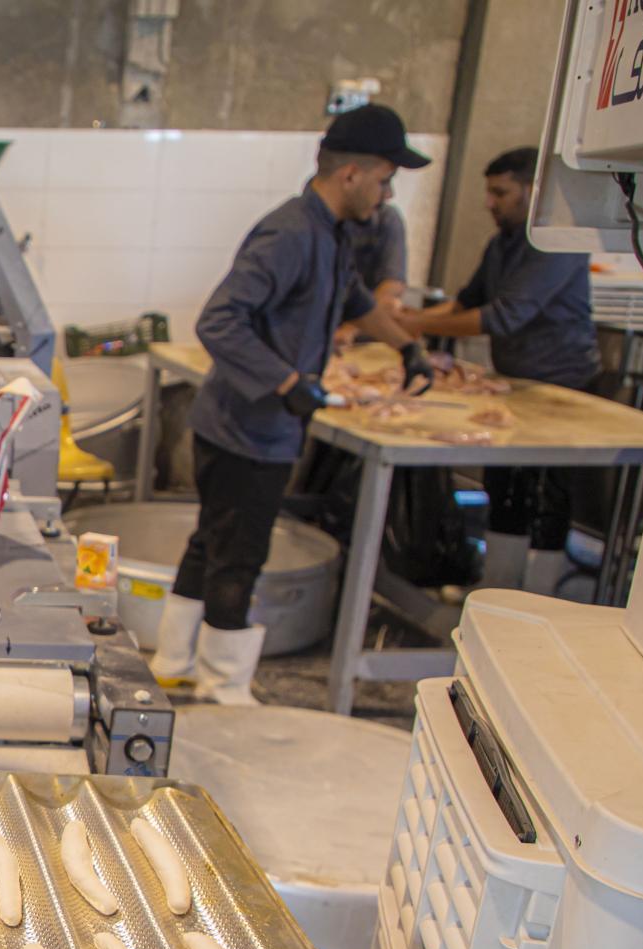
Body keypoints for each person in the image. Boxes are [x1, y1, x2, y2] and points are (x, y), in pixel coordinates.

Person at [149, 104, 436, 705]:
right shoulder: (291, 234)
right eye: (385, 180)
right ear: (351, 174)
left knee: (213, 541)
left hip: (258, 427)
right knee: (239, 555)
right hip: (245, 430)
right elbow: (219, 321)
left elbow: (355, 301)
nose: (388, 194)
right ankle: (224, 687)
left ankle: (174, 661)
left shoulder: (332, 234)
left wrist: (407, 346)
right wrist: (286, 382)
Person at [398, 146, 597, 594]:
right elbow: (466, 303)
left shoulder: (560, 244)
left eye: (500, 193)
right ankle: (495, 588)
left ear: (531, 190)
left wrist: (414, 324)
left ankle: (536, 597)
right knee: (505, 482)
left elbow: (503, 316)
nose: (489, 202)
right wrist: (407, 324)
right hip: (516, 385)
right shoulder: (501, 244)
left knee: (547, 491)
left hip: (561, 387)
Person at [334, 183, 408, 346]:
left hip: (361, 338)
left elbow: (392, 285)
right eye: (382, 182)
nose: (389, 194)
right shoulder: (310, 224)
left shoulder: (385, 218)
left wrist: (350, 329)